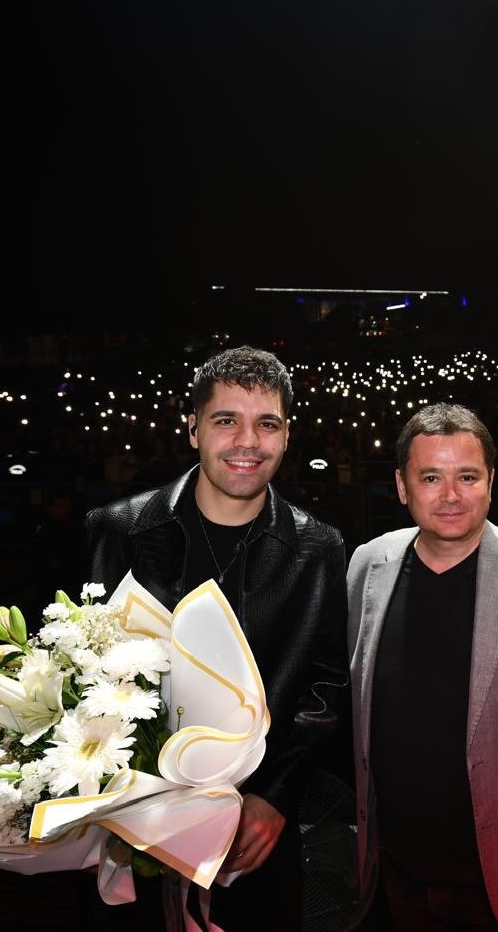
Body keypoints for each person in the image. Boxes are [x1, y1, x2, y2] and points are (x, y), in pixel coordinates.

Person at [85, 345, 348, 930]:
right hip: (132, 820)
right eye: (226, 420)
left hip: (254, 831)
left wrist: (275, 796)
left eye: (267, 424)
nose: (247, 441)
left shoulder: (318, 547)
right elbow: (83, 667)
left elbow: (327, 687)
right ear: (193, 429)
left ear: (287, 435)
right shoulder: (118, 529)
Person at [346, 403, 498, 931]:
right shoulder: (368, 565)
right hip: (394, 870)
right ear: (402, 486)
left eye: (467, 476)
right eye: (430, 478)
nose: (451, 495)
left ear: (491, 483)